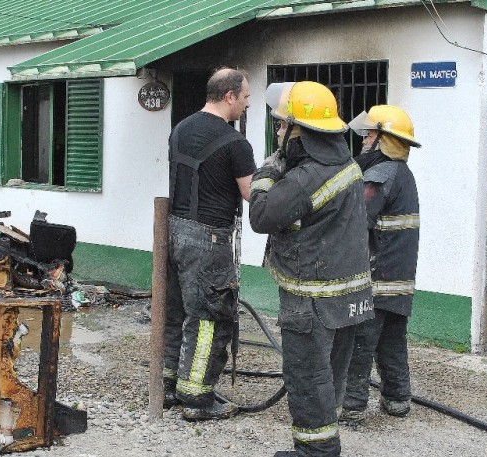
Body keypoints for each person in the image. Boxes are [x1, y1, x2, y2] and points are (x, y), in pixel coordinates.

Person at [250, 81, 373, 457]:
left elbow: (261, 215)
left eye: (282, 125)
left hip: (311, 299)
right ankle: (321, 442)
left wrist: (267, 172)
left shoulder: (305, 178)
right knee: (330, 378)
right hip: (350, 299)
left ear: (299, 130)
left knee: (306, 378)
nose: (278, 131)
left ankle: (316, 452)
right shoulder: (346, 163)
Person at [163, 67, 255, 421]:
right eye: (245, 97)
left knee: (177, 313)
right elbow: (251, 194)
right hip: (209, 238)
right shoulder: (235, 143)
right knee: (209, 318)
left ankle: (170, 385)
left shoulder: (180, 130)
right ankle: (197, 397)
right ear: (229, 96)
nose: (247, 104)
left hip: (172, 231)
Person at [339, 105, 421, 425]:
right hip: (398, 282)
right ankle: (397, 399)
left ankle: (351, 407)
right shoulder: (403, 175)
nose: (363, 141)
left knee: (359, 343)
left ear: (384, 140)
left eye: (370, 134)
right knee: (391, 342)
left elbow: (355, 222)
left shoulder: (380, 175)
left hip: (376, 281)